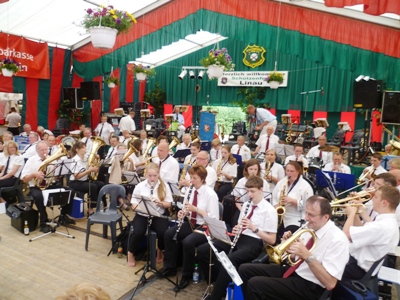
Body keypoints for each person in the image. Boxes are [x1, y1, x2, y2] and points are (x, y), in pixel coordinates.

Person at [239, 195, 350, 300]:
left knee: (256, 284)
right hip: (295, 272)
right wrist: (290, 248)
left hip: (311, 286)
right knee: (245, 270)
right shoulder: (311, 227)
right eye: (306, 213)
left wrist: (307, 255)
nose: (306, 218)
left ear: (325, 217)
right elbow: (293, 260)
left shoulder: (338, 240)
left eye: (311, 215)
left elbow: (330, 283)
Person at [197, 175, 277, 300]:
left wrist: (253, 228)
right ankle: (220, 282)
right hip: (239, 237)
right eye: (248, 191)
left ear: (261, 190)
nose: (249, 195)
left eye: (253, 191)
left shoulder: (269, 210)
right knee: (204, 250)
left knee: (230, 259)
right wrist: (237, 229)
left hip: (254, 241)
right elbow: (240, 224)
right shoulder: (246, 205)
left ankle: (216, 296)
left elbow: (272, 240)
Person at [160, 165, 219, 290]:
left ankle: (186, 274)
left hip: (205, 226)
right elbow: (187, 208)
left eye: (194, 178)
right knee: (169, 234)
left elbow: (214, 218)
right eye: (191, 177)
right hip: (191, 222)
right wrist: (184, 212)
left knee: (188, 242)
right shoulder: (190, 190)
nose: (191, 180)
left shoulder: (210, 194)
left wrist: (196, 209)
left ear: (202, 179)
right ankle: (170, 267)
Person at [341, 186, 400, 281]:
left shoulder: (382, 226)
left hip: (355, 268)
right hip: (358, 265)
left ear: (384, 203)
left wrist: (351, 214)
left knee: (319, 260)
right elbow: (362, 230)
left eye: (376, 197)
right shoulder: (388, 221)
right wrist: (357, 211)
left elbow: (345, 235)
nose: (373, 199)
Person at [20, 141, 75, 232]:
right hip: (35, 186)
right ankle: (44, 222)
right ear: (37, 150)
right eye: (42, 150)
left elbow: (54, 177)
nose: (44, 151)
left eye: (46, 149)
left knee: (70, 191)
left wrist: (56, 173)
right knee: (39, 196)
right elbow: (24, 179)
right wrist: (34, 174)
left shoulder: (51, 159)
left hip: (49, 185)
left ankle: (63, 215)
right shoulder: (31, 160)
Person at [127, 163, 173, 267]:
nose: (152, 178)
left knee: (164, 232)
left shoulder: (164, 186)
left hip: (157, 215)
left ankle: (160, 250)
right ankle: (131, 253)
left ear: (158, 174)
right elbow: (133, 204)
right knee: (138, 232)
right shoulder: (140, 186)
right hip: (142, 215)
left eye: (155, 176)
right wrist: (143, 209)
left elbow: (169, 204)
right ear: (146, 174)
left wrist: (160, 203)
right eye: (150, 176)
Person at [272, 161, 314, 238]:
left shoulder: (306, 186)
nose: (289, 173)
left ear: (298, 172)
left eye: (292, 171)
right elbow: (274, 197)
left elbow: (309, 206)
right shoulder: (282, 182)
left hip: (295, 218)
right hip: (279, 216)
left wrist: (293, 201)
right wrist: (276, 206)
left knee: (287, 235)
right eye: (287, 171)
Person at [68, 141, 105, 216]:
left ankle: (103, 205)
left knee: (101, 184)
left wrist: (96, 164)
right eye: (83, 147)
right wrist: (89, 170)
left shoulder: (86, 158)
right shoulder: (74, 160)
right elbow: (77, 176)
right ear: (77, 150)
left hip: (85, 180)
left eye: (85, 147)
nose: (85, 149)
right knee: (92, 187)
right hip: (75, 182)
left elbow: (94, 168)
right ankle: (90, 209)